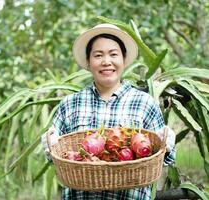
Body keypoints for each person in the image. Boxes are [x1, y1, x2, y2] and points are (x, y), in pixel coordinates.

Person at [42, 23, 176, 200]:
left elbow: (164, 159)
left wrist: (166, 143)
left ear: (123, 59)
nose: (106, 61)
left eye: (113, 54)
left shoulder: (145, 103)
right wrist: (50, 144)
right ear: (89, 62)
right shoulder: (70, 104)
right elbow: (57, 158)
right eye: (98, 55)